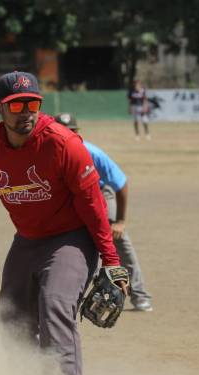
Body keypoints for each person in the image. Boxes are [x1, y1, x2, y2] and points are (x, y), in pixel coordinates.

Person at [0, 71, 128, 375]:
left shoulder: (62, 144)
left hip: (71, 239)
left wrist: (111, 260)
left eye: (33, 103)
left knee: (55, 307)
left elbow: (93, 203)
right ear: (0, 109)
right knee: (11, 320)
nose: (26, 111)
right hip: (27, 239)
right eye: (17, 105)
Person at [54, 113, 153, 312]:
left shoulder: (91, 152)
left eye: (70, 131)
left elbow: (121, 184)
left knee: (117, 237)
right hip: (71, 194)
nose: (66, 135)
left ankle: (139, 295)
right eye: (62, 131)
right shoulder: (47, 152)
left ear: (77, 132)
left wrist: (121, 221)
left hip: (100, 189)